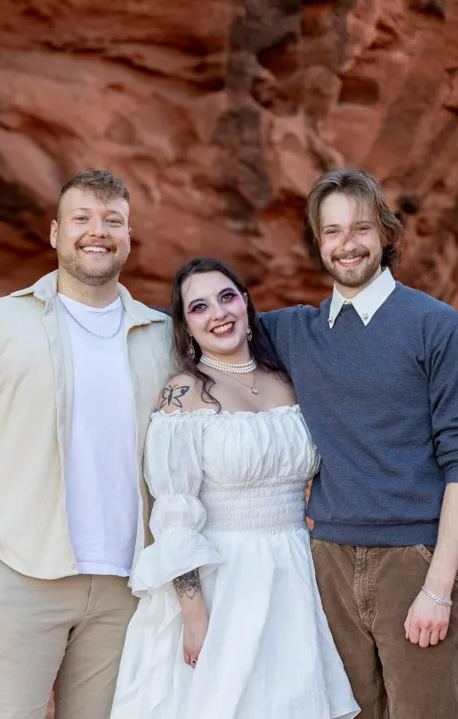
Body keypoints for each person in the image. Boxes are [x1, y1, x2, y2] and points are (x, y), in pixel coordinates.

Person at [0, 169, 175, 719]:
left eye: (113, 220)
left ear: (129, 237)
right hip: (19, 577)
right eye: (82, 218)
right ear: (55, 233)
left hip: (128, 588)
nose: (98, 231)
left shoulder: (164, 335)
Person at [259, 168, 458, 719]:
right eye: (332, 232)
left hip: (413, 560)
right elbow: (205, 329)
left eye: (360, 228)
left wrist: (437, 588)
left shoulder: (436, 326)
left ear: (386, 234)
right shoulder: (294, 331)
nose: (347, 245)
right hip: (327, 561)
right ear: (319, 244)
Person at [109, 258, 359, 719]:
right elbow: (174, 510)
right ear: (186, 326)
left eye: (226, 297)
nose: (218, 313)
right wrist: (194, 614)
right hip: (221, 577)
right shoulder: (183, 394)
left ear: (245, 302)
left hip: (296, 568)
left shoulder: (286, 381)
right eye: (199, 307)